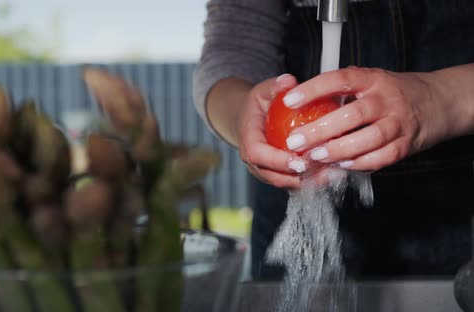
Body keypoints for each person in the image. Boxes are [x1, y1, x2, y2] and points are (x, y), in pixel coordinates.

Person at [193, 0, 474, 280]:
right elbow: (233, 45)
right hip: (296, 206)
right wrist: (243, 112)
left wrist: (444, 98)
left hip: (459, 212)